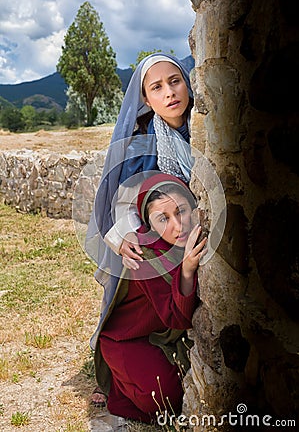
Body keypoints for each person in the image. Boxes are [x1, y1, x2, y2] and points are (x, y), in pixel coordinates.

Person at [86, 53, 194, 406]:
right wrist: (127, 234)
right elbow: (121, 200)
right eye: (157, 87)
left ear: (188, 83)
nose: (170, 93)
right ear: (146, 100)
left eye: (175, 81)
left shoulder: (207, 129)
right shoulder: (139, 145)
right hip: (159, 247)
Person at [91, 173, 207, 424]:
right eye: (162, 219)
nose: (178, 226)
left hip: (159, 334)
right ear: (149, 225)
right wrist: (186, 270)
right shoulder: (143, 257)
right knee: (166, 400)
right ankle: (120, 382)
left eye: (182, 211)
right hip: (126, 339)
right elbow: (178, 318)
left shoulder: (183, 240)